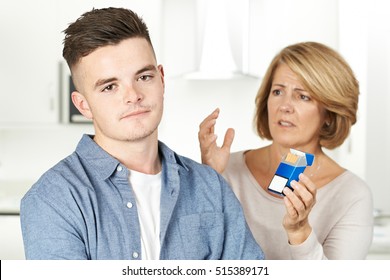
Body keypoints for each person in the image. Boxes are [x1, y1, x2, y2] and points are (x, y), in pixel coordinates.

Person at [20, 7, 264, 260]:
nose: (133, 95)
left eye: (144, 77)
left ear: (161, 79)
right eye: (110, 87)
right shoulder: (53, 200)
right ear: (83, 105)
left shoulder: (210, 186)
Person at [198, 41, 374, 259]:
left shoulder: (352, 196)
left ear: (328, 114)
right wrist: (207, 180)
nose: (285, 106)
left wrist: (300, 232)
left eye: (303, 96)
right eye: (278, 91)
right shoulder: (226, 169)